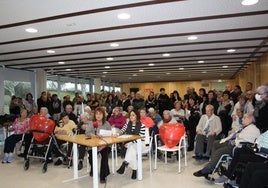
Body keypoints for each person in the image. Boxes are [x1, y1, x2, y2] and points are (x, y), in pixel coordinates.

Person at [193, 113, 260, 178]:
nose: (242, 119)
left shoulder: (254, 129)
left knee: (219, 151)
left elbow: (250, 139)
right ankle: (213, 165)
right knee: (215, 143)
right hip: (230, 142)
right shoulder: (244, 127)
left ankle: (208, 169)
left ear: (250, 120)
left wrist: (237, 137)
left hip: (237, 147)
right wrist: (235, 134)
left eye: (244, 118)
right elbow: (238, 135)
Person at [116, 110, 146, 180]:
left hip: (141, 144)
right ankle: (134, 170)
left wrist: (129, 143)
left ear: (137, 116)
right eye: (130, 115)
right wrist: (117, 134)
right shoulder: (127, 124)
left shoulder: (142, 126)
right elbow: (121, 131)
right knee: (132, 149)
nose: (131, 117)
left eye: (133, 115)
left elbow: (140, 138)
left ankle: (125, 163)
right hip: (132, 145)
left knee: (131, 147)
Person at [85, 107, 111, 184]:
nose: (98, 115)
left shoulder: (107, 123)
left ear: (103, 115)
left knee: (104, 156)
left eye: (100, 114)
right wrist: (93, 135)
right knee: (91, 157)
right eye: (97, 114)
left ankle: (102, 176)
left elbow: (110, 135)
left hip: (105, 145)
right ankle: (93, 169)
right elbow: (87, 133)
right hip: (93, 145)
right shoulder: (91, 123)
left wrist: (103, 144)